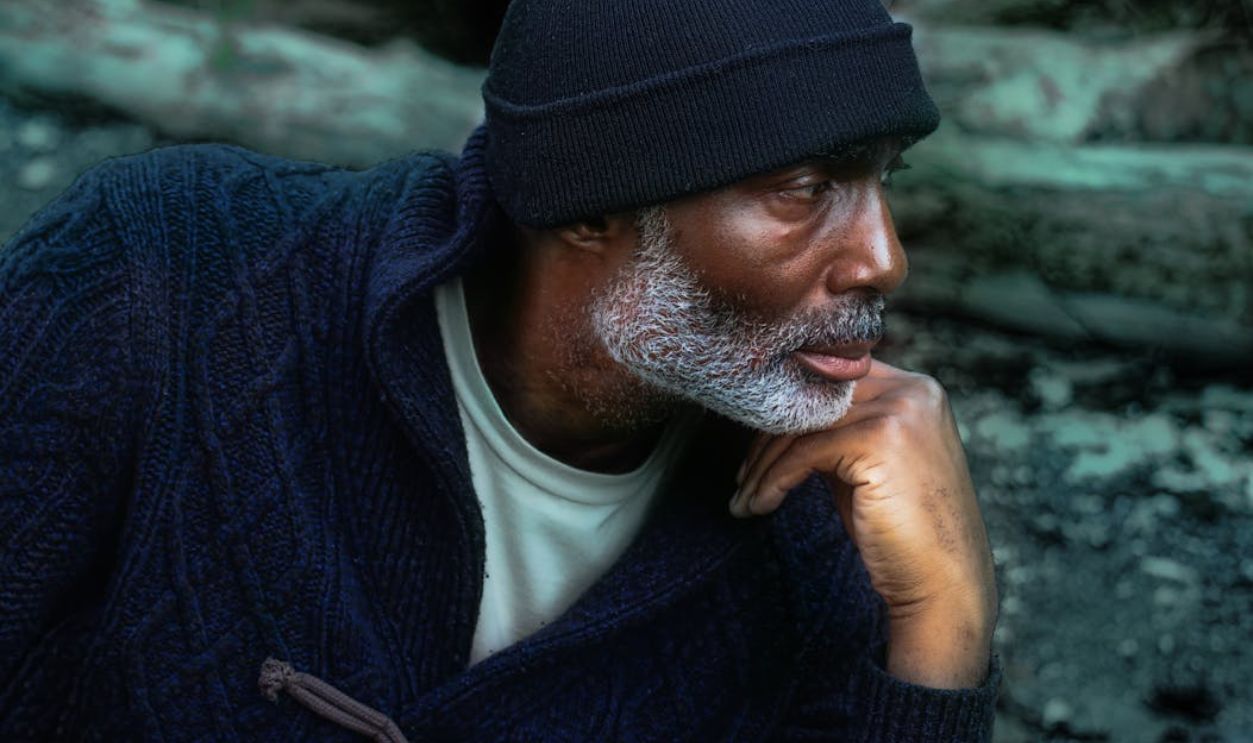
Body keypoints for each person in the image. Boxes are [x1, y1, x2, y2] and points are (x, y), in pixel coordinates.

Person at [0, 0, 1000, 739]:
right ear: (590, 204)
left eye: (881, 180)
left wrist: (939, 627)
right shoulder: (167, 275)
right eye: (805, 187)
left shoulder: (829, 518)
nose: (882, 256)